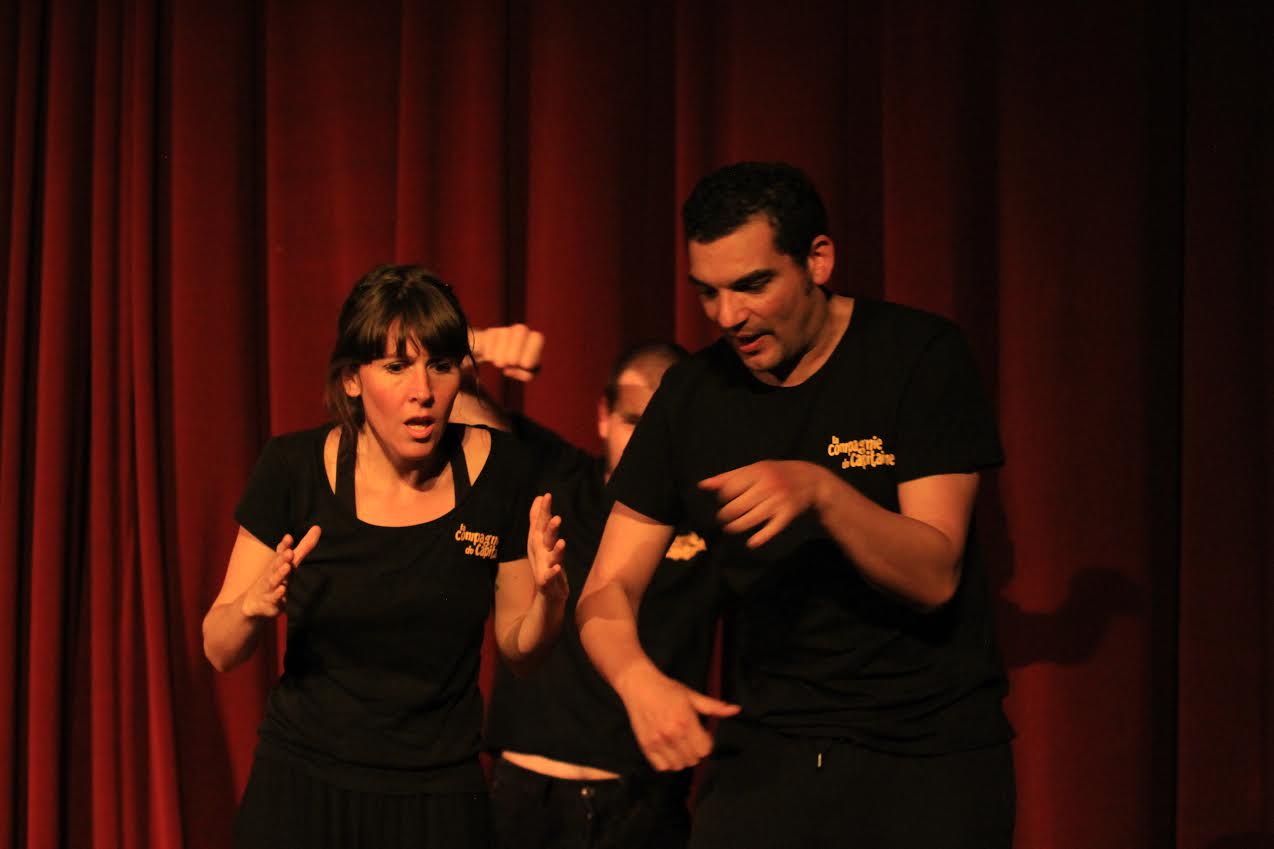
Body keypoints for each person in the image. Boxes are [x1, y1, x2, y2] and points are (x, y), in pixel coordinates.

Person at [577, 162, 1015, 848]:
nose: (729, 317)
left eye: (753, 286)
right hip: (767, 748)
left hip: (927, 749)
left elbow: (934, 574)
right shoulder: (692, 395)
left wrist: (822, 492)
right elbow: (606, 586)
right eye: (708, 292)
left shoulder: (917, 356)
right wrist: (637, 680)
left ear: (818, 259)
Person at [202, 264, 568, 849]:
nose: (422, 391)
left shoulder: (503, 470)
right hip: (303, 787)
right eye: (396, 367)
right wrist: (252, 605)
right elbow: (219, 648)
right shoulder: (292, 468)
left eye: (440, 366)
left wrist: (550, 602)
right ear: (352, 379)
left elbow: (520, 652)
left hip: (438, 795)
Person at [459, 331, 722, 849]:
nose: (646, 443)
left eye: (663, 427)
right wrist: (478, 347)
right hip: (525, 792)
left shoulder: (714, 515)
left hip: (643, 799)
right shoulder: (556, 475)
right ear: (603, 415)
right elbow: (451, 403)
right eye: (633, 422)